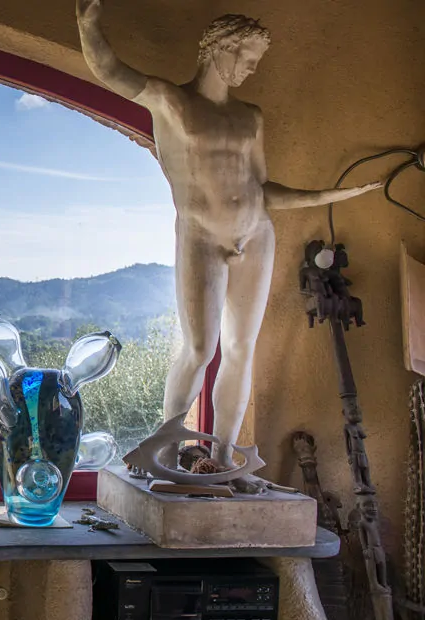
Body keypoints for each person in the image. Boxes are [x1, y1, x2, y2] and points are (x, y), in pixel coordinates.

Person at [76, 1, 382, 478]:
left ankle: (221, 462)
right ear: (220, 49)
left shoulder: (250, 117)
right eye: (247, 58)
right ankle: (168, 449)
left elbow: (261, 191)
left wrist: (329, 194)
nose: (250, 70)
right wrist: (87, 22)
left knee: (242, 349)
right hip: (201, 235)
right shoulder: (172, 101)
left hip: (255, 235)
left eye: (256, 63)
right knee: (199, 349)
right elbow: (110, 70)